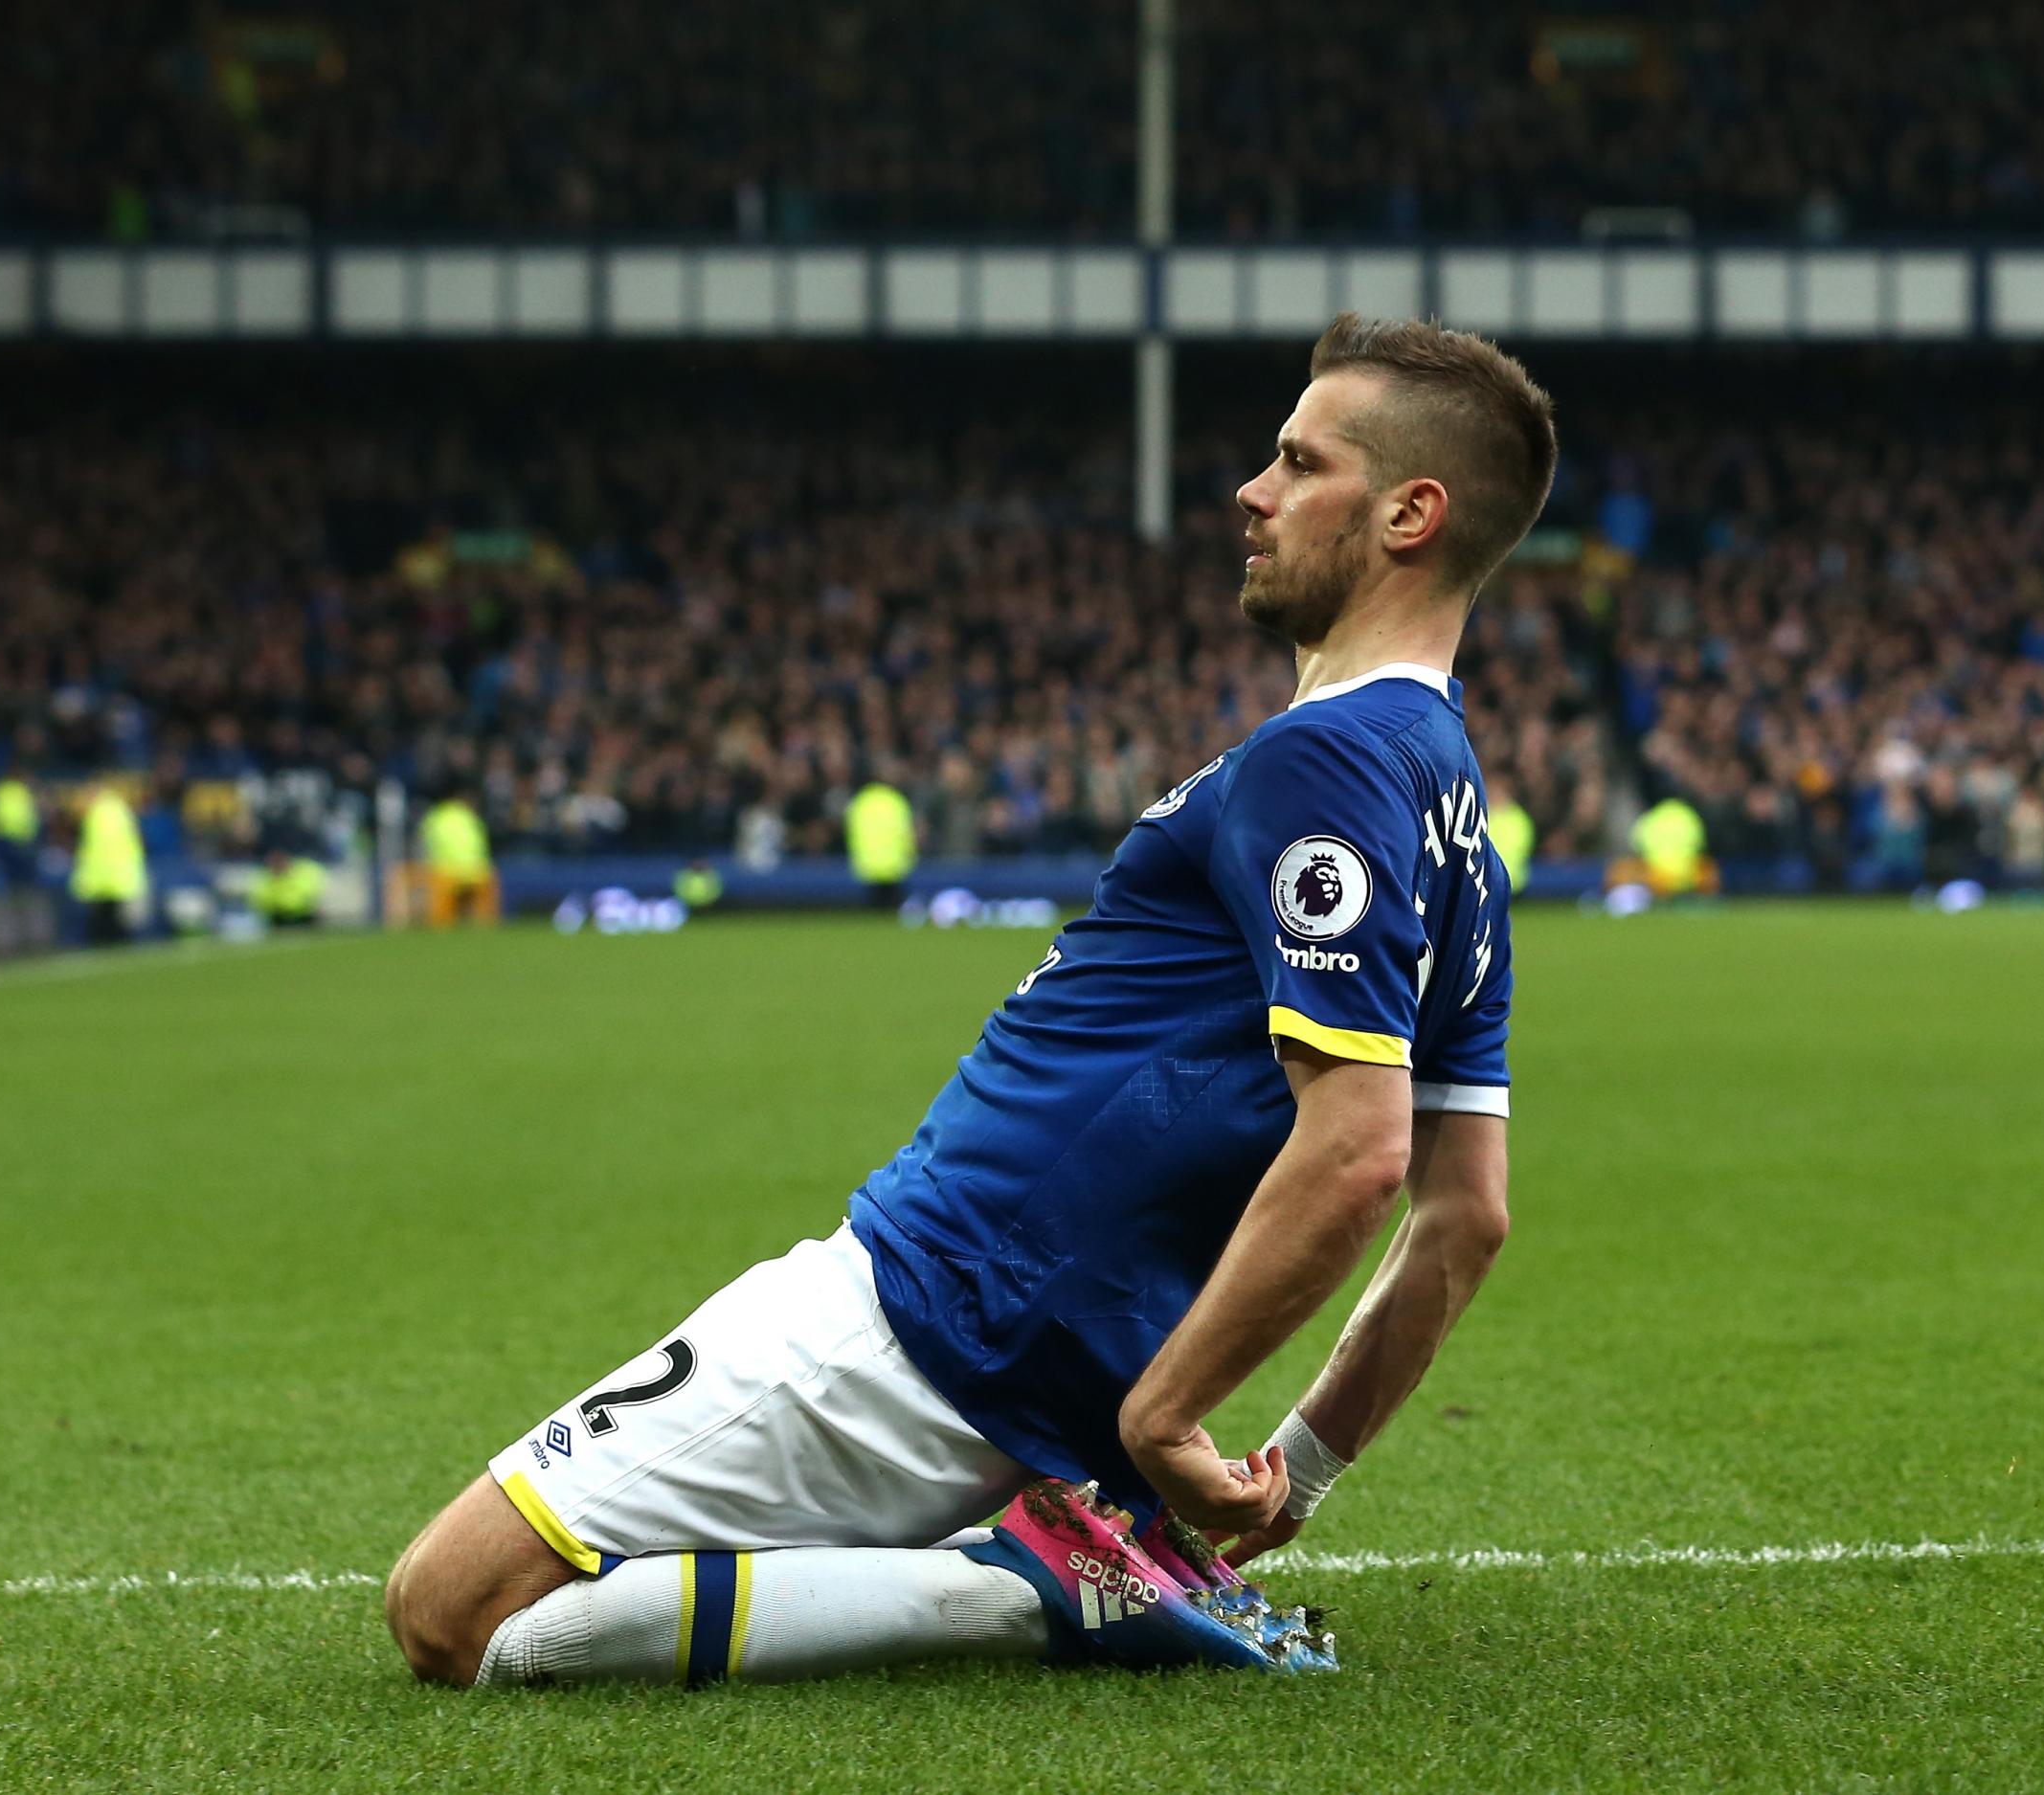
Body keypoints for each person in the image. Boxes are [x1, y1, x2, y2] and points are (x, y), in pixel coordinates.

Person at [385, 314, 1549, 1691]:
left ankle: (1040, 1587)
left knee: (450, 1608)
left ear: (1413, 512)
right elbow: (1465, 1207)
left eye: (1299, 462)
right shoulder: (1452, 804)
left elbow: (1360, 1150)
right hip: (1039, 1360)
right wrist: (1290, 1476)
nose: (1253, 489)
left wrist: (1172, 1412)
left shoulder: (1331, 762)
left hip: (933, 1300)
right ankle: (1072, 1558)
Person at [72, 780, 148, 947]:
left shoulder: (96, 813)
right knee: (118, 925)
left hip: (104, 877)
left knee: (106, 925)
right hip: (120, 876)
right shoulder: (120, 809)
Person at [419, 787, 498, 927]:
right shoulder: (471, 817)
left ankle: (441, 926)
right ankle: (485, 925)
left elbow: (427, 843)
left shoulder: (437, 817)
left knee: (440, 896)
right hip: (477, 872)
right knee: (487, 889)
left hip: (447, 872)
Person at [844, 767, 918, 909]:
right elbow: (907, 833)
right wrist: (911, 856)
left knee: (871, 914)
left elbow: (851, 832)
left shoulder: (860, 801)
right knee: (892, 913)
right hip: (894, 867)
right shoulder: (896, 800)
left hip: (866, 867)